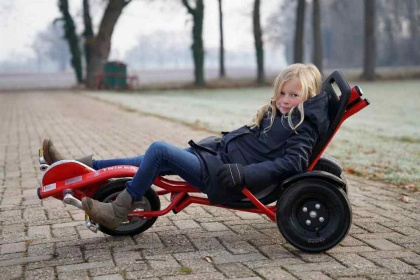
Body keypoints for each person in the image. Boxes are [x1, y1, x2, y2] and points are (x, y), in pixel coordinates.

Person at [42, 63, 329, 230]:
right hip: (216, 158)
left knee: (159, 151)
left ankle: (118, 211)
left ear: (309, 96)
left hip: (225, 177)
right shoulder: (282, 115)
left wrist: (245, 173)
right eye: (282, 92)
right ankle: (81, 168)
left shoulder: (302, 126)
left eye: (294, 95)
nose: (285, 99)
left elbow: (294, 164)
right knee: (149, 159)